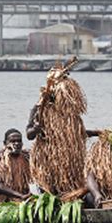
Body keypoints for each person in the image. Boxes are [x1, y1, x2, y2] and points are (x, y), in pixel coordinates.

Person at [26, 60, 89, 196]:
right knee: (51, 190)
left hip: (70, 159)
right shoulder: (40, 110)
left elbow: (77, 133)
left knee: (71, 188)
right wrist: (36, 129)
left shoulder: (72, 114)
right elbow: (29, 134)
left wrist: (96, 133)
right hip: (49, 158)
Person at [0, 128, 31, 203]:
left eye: (19, 141)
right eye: (13, 141)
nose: (16, 143)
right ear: (5, 143)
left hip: (22, 197)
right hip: (2, 198)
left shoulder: (26, 157)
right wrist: (19, 196)